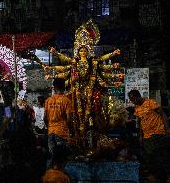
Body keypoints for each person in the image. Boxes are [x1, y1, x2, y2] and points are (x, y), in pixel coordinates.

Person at [39, 19, 122, 149]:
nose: (83, 53)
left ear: (88, 51)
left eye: (85, 51)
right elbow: (64, 68)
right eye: (81, 51)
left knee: (97, 109)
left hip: (90, 90)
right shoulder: (73, 63)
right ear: (77, 51)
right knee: (75, 114)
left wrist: (113, 59)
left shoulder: (94, 62)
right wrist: (52, 68)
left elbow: (103, 66)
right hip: (76, 92)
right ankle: (76, 139)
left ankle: (94, 140)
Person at [128, 89, 169, 182]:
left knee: (163, 157)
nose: (132, 101)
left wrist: (167, 129)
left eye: (133, 99)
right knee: (151, 158)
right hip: (147, 136)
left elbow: (163, 114)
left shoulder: (151, 102)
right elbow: (140, 123)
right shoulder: (137, 108)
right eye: (131, 100)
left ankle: (168, 176)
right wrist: (140, 136)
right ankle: (158, 177)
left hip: (158, 133)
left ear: (138, 96)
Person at [44, 78, 74, 156]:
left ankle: (51, 168)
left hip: (51, 132)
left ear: (54, 87)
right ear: (64, 87)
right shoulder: (66, 100)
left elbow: (45, 118)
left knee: (52, 156)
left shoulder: (48, 100)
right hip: (62, 133)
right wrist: (70, 130)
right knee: (61, 157)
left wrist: (50, 127)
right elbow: (69, 119)